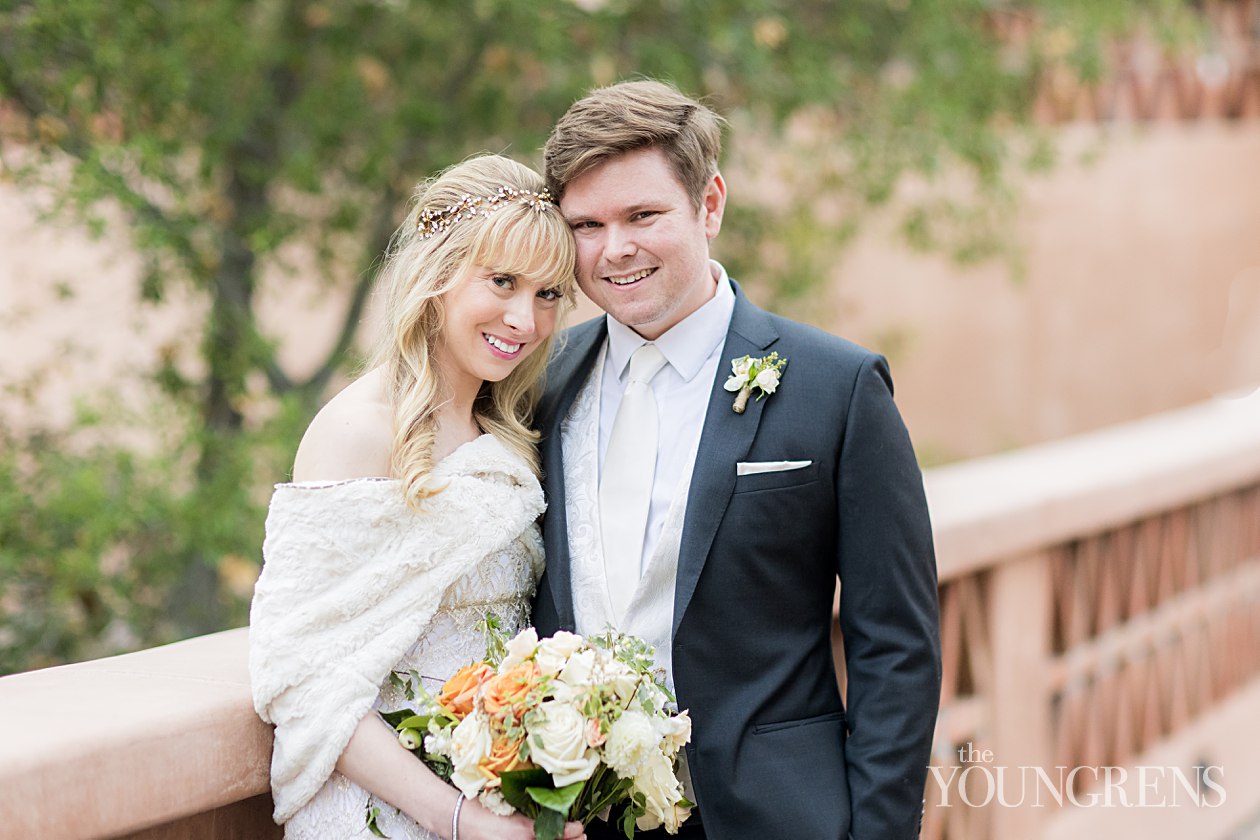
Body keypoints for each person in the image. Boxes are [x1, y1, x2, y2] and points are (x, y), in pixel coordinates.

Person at [531, 80, 942, 840]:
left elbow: (897, 646)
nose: (614, 249)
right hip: (574, 820)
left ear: (710, 204)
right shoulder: (539, 383)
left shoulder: (838, 389)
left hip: (774, 818)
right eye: (586, 224)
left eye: (642, 215)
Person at [249, 154, 586, 840]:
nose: (525, 318)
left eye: (549, 293)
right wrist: (457, 821)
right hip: (385, 816)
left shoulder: (511, 431)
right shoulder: (357, 431)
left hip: (496, 806)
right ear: (436, 275)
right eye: (501, 281)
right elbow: (303, 673)